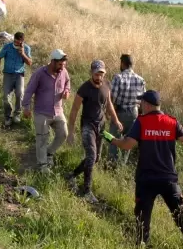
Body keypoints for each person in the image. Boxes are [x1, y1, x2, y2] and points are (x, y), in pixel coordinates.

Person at [108, 90, 183, 245]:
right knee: (181, 214)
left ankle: (141, 246)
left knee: (142, 217)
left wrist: (111, 139)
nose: (140, 105)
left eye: (141, 103)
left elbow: (127, 145)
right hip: (168, 179)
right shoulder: (172, 122)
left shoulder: (142, 122)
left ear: (147, 104)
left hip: (146, 179)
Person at [66, 60, 123, 204]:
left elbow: (109, 104)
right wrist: (71, 132)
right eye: (97, 73)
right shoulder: (84, 89)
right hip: (87, 126)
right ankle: (87, 191)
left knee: (96, 158)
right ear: (91, 72)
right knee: (91, 156)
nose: (99, 77)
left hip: (101, 126)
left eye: (101, 74)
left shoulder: (106, 85)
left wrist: (116, 121)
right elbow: (74, 111)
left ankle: (72, 175)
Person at [22, 49, 71, 173]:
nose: (62, 67)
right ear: (53, 61)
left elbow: (67, 83)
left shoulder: (63, 71)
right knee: (42, 139)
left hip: (58, 111)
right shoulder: (40, 73)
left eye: (64, 65)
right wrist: (26, 107)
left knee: (63, 134)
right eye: (60, 64)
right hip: (42, 112)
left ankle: (49, 153)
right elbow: (29, 90)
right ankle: (42, 166)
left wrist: (66, 91)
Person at [108, 54, 146, 166]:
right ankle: (122, 164)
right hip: (134, 112)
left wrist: (109, 112)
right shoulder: (141, 80)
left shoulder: (118, 78)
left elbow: (112, 98)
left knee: (114, 138)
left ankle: (112, 163)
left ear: (122, 63)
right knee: (129, 139)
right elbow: (143, 101)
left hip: (119, 112)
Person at [0, 32, 32, 126]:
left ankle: (17, 114)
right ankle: (8, 116)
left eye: (19, 42)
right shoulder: (7, 47)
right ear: (13, 39)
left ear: (22, 41)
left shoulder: (26, 48)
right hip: (8, 74)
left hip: (19, 74)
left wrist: (22, 53)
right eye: (15, 41)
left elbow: (29, 63)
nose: (16, 43)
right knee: (6, 97)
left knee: (20, 94)